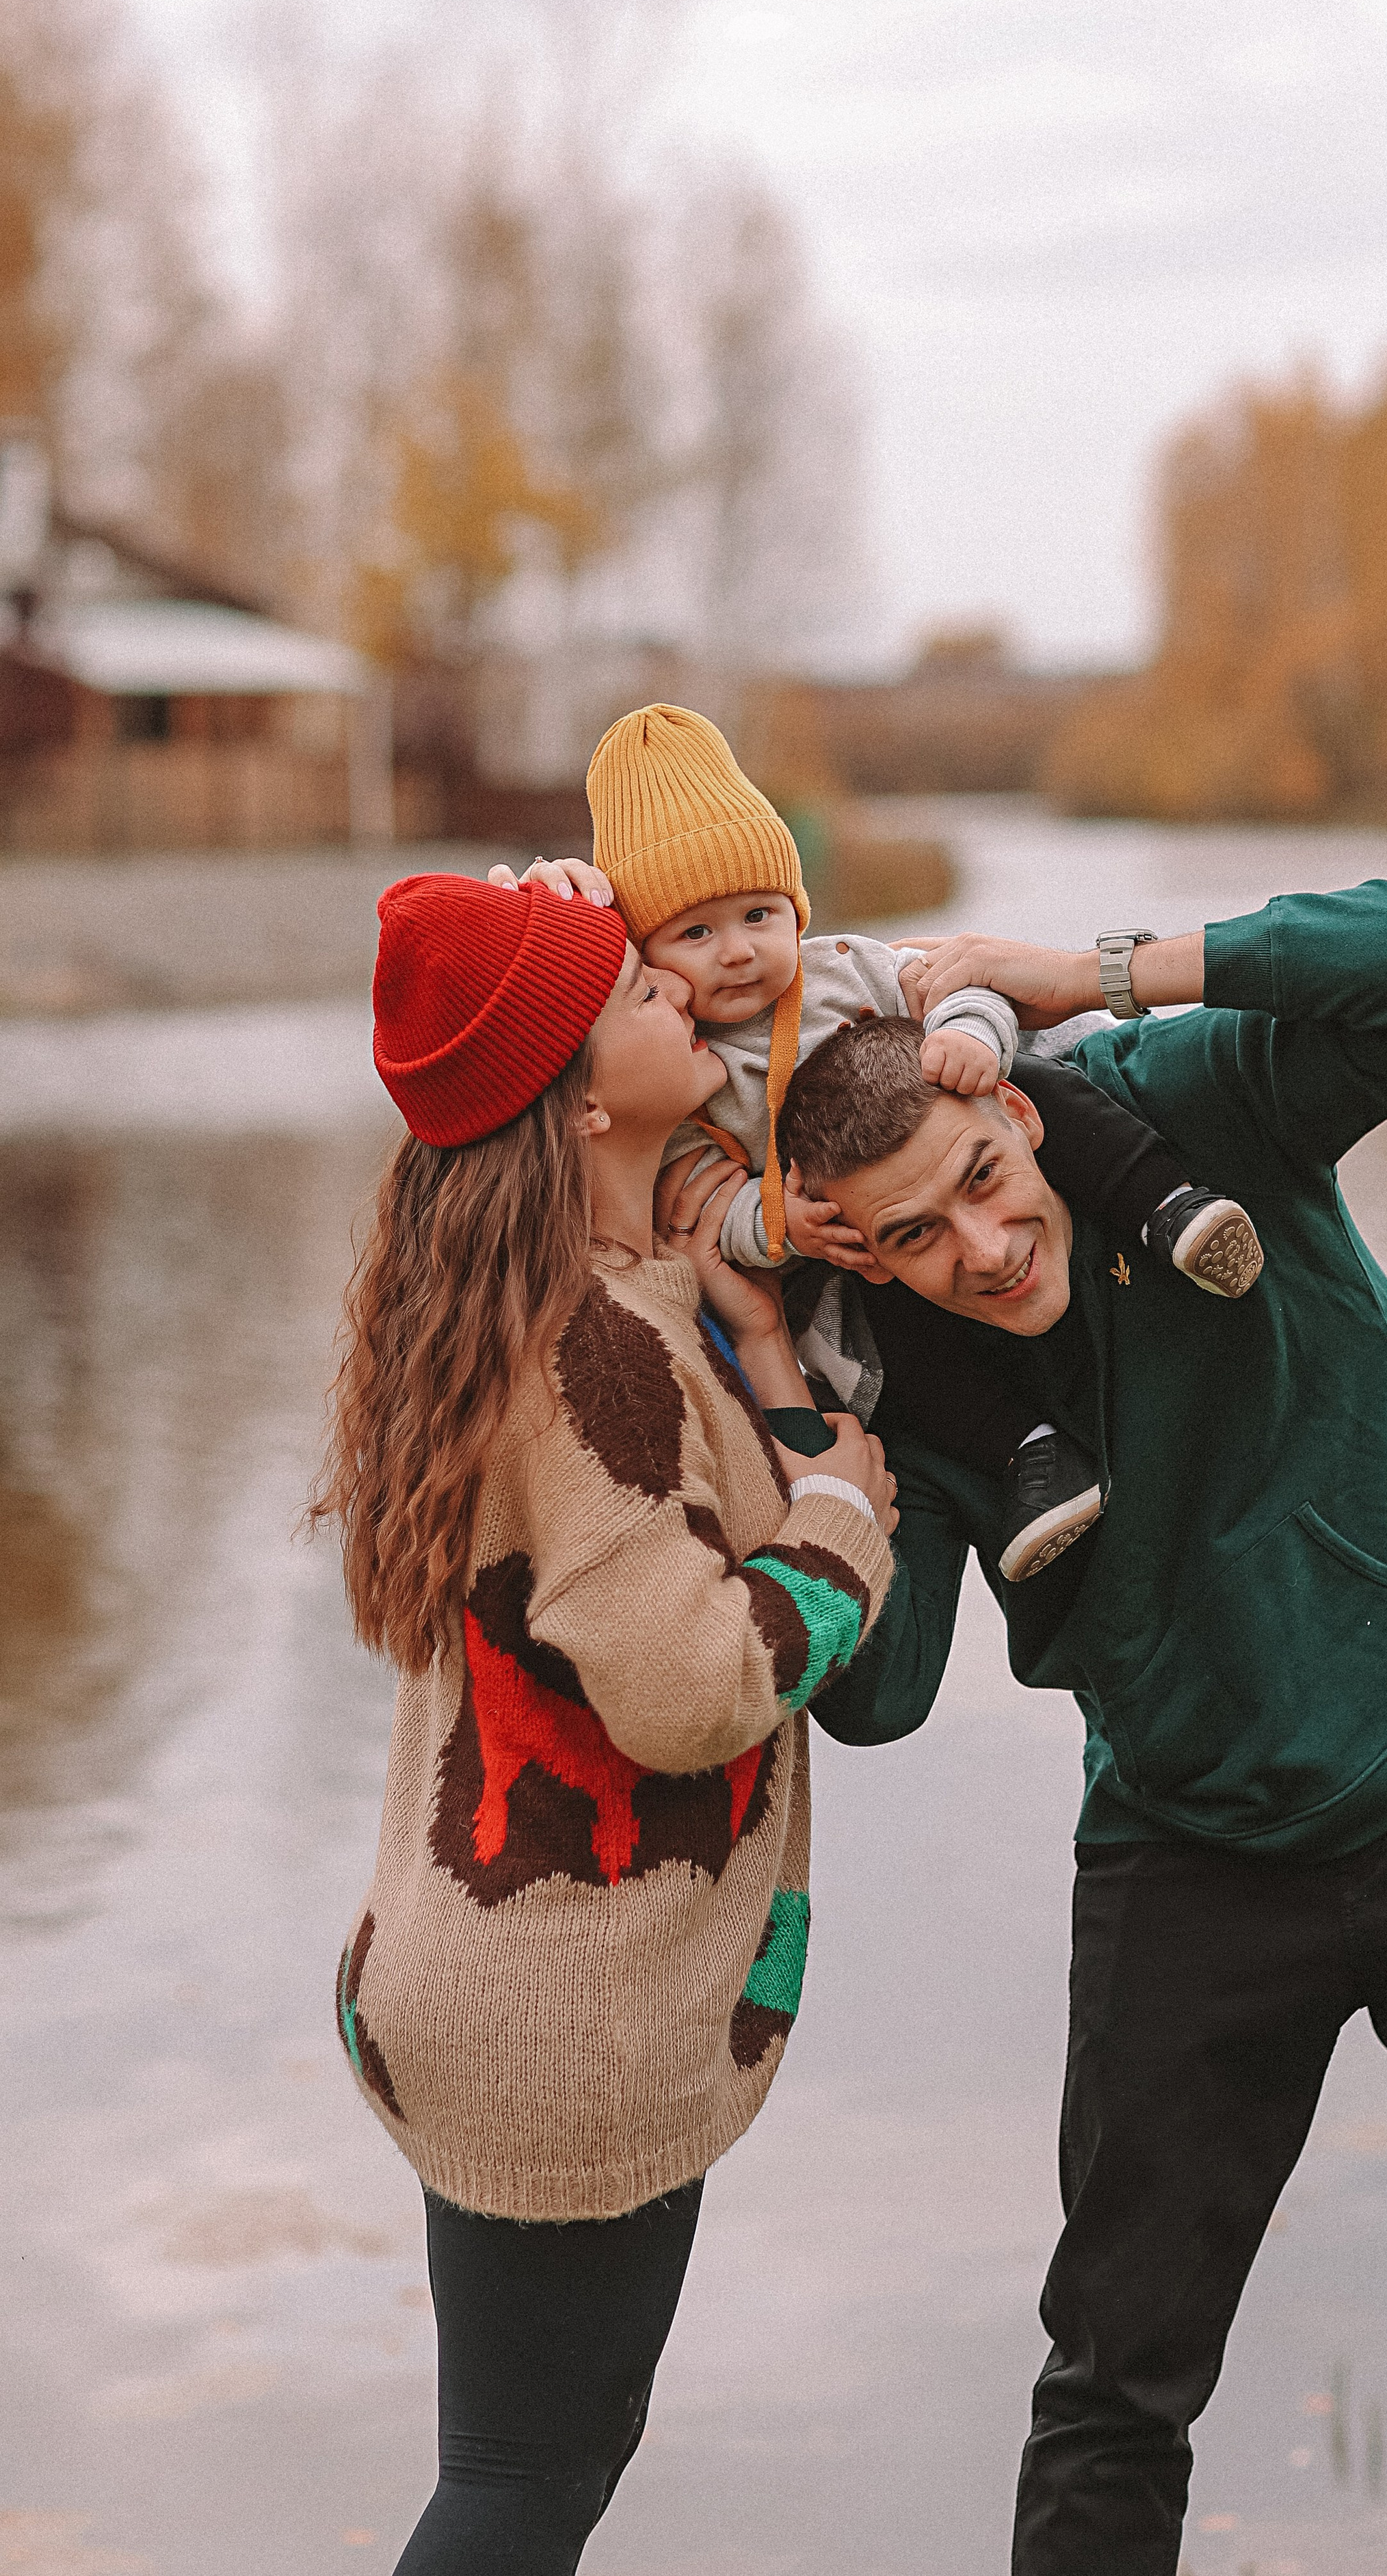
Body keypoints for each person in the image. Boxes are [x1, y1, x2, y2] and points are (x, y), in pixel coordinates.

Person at [776, 886, 1387, 2576]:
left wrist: (1089, 973)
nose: (976, 1250)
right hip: (1186, 1849)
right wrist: (807, 1408)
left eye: (980, 1181)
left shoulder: (1180, 1107)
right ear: (849, 1245)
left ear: (1005, 1099)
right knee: (1120, 2377)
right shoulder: (891, 1365)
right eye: (908, 1237)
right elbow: (882, 1693)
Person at [309, 868, 897, 2574]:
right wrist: (840, 1527)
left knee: (537, 2460)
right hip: (556, 2021)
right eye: (631, 990)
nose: (673, 988)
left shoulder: (559, 1291)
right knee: (522, 2482)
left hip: (485, 1986)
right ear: (575, 1099)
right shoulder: (588, 1349)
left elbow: (523, 993)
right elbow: (684, 1686)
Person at [492, 701, 1263, 1584]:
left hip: (942, 1142)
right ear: (652, 957)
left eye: (759, 916)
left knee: (1027, 1087)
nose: (738, 953)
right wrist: (779, 1225)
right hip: (859, 1237)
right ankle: (1031, 1457)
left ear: (796, 908)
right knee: (886, 1331)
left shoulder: (847, 967)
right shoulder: (684, 1064)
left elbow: (958, 983)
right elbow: (701, 1192)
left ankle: (1170, 1207)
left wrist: (969, 1034)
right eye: (696, 934)